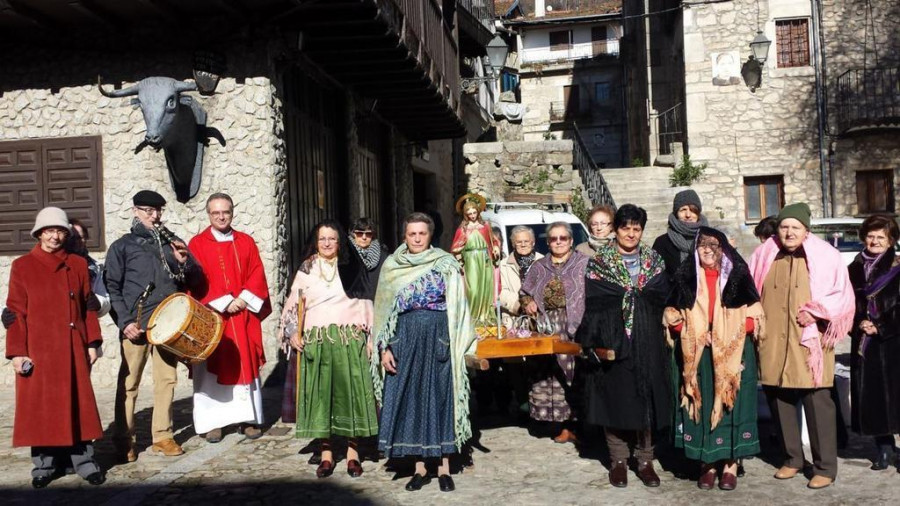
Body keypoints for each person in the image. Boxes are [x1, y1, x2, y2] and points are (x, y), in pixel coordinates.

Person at [748, 202, 854, 489]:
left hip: (810, 340)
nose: (789, 232)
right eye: (784, 226)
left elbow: (842, 294)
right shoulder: (764, 253)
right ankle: (792, 459)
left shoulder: (826, 256)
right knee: (779, 399)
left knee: (817, 401)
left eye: (795, 227)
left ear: (806, 230)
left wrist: (819, 311)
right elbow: (748, 286)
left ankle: (825, 467)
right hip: (772, 339)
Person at [372, 212, 477, 492]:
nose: (417, 238)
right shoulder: (393, 266)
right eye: (412, 234)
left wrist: (458, 343)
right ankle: (419, 469)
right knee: (413, 399)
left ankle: (443, 468)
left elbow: (460, 305)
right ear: (404, 236)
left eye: (422, 233)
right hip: (404, 338)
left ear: (430, 235)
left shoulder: (445, 263)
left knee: (440, 397)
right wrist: (385, 348)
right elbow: (383, 314)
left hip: (438, 336)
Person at [5, 207, 105, 488]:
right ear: (39, 233)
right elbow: (15, 311)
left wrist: (93, 342)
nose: (54, 236)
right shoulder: (22, 266)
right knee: (41, 408)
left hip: (73, 347)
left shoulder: (77, 264)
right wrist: (17, 352)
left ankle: (84, 462)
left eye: (60, 230)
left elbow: (87, 305)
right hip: (39, 349)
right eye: (49, 230)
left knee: (79, 407)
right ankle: (44, 465)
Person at [575, 204, 670, 488]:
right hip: (613, 339)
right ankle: (618, 460)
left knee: (646, 401)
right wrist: (601, 339)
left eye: (636, 228)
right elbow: (595, 303)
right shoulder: (600, 262)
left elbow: (661, 296)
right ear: (616, 230)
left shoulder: (654, 260)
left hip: (648, 340)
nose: (631, 233)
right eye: (625, 227)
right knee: (614, 400)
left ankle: (645, 460)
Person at [106, 190, 203, 462]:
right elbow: (112, 286)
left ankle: (163, 436)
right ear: (135, 210)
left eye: (158, 210)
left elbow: (194, 281)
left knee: (166, 380)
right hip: (135, 325)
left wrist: (185, 262)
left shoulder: (174, 243)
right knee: (129, 384)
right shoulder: (122, 246)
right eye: (148, 210)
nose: (154, 215)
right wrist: (124, 322)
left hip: (167, 325)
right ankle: (124, 440)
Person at [664, 227, 764, 491]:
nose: (708, 250)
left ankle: (731, 464)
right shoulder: (685, 278)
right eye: (702, 245)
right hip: (697, 355)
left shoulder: (738, 277)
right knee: (703, 404)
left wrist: (724, 334)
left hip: (733, 353)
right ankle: (706, 464)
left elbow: (755, 318)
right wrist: (695, 334)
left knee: (732, 405)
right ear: (695, 249)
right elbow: (672, 318)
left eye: (714, 245)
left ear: (724, 249)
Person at [280, 220, 377, 479]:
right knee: (322, 398)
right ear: (316, 241)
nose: (326, 243)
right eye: (322, 239)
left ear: (340, 241)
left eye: (331, 239)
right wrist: (292, 333)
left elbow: (365, 300)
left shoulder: (352, 266)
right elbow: (293, 303)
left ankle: (353, 454)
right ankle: (326, 454)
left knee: (351, 396)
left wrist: (369, 338)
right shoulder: (307, 267)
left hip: (348, 339)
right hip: (318, 340)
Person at [188, 193, 272, 443]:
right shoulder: (197, 244)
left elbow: (257, 272)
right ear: (209, 215)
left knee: (245, 364)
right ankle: (213, 422)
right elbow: (196, 281)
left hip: (243, 316)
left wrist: (243, 299)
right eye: (216, 213)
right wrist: (225, 302)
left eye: (225, 212)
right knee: (211, 370)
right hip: (213, 318)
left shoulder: (245, 241)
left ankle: (247, 419)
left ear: (232, 212)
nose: (221, 217)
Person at [520, 222, 588, 443]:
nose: (558, 242)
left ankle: (574, 424)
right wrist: (528, 302)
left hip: (574, 326)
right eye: (553, 239)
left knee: (571, 373)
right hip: (545, 326)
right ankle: (551, 423)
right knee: (545, 374)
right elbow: (525, 292)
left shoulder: (583, 263)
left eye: (563, 238)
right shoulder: (539, 266)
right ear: (547, 242)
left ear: (571, 240)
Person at [848, 214, 900, 471]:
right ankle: (884, 449)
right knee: (874, 398)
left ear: (891, 241)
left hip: (894, 341)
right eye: (871, 235)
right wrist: (859, 322)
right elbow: (847, 304)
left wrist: (880, 326)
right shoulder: (854, 268)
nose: (875, 240)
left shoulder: (897, 266)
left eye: (881, 237)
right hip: (865, 343)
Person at [450, 193, 499, 328]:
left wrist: (496, 248)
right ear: (465, 214)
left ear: (478, 212)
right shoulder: (463, 229)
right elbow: (455, 246)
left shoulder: (485, 226)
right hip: (471, 260)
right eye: (469, 213)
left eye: (474, 212)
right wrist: (458, 254)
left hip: (485, 259)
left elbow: (494, 241)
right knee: (474, 290)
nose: (472, 215)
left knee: (486, 288)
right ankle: (473, 317)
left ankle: (486, 317)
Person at [653, 189, 708, 280]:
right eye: (683, 210)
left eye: (692, 210)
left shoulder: (711, 239)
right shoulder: (662, 243)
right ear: (676, 213)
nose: (688, 215)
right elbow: (656, 278)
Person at [499, 226, 544, 328]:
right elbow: (500, 292)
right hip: (513, 320)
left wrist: (534, 305)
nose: (523, 245)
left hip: (539, 319)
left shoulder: (543, 261)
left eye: (526, 241)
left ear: (533, 242)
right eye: (519, 242)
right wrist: (521, 305)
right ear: (513, 244)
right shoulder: (503, 265)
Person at [67, 218, 111, 317]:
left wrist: (98, 302)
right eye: (74, 238)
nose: (78, 242)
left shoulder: (95, 267)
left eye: (81, 238)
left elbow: (105, 299)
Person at [343, 217, 390, 300]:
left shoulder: (383, 256)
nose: (364, 237)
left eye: (368, 234)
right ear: (353, 234)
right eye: (359, 233)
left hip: (376, 303)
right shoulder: (346, 255)